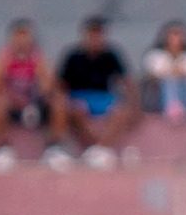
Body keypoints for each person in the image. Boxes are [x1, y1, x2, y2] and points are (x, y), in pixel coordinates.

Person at [0, 18, 73, 170]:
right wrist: (16, 99)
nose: (21, 40)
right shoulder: (1, 58)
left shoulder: (39, 58)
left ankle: (54, 148)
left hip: (35, 104)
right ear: (11, 38)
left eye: (25, 35)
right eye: (18, 35)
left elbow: (49, 85)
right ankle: (3, 149)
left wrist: (35, 98)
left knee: (59, 101)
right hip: (12, 105)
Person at [56, 15, 138, 168]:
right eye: (92, 34)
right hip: (79, 96)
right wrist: (64, 101)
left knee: (121, 112)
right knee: (76, 110)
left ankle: (98, 149)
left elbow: (126, 81)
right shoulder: (73, 56)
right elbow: (61, 84)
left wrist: (134, 102)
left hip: (103, 98)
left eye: (99, 34)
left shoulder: (111, 55)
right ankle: (97, 150)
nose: (95, 38)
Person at [142, 20, 186, 124]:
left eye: (179, 34)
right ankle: (173, 107)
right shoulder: (155, 55)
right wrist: (176, 71)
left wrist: (176, 70)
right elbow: (156, 73)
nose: (176, 38)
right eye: (173, 34)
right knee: (169, 80)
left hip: (185, 95)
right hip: (160, 97)